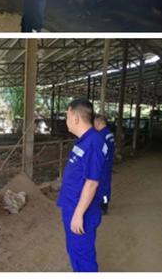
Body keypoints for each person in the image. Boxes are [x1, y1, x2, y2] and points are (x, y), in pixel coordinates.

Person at [57, 99, 108, 272]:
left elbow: (92, 182)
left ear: (76, 117)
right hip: (72, 205)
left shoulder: (93, 142)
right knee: (75, 252)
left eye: (67, 116)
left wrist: (78, 214)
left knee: (83, 256)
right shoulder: (85, 140)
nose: (66, 121)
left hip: (81, 210)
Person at [94, 114, 116, 214]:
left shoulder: (102, 136)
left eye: (94, 123)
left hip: (102, 165)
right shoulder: (109, 134)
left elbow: (100, 152)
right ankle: (104, 205)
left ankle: (103, 207)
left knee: (102, 186)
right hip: (108, 163)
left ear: (98, 122)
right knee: (106, 184)